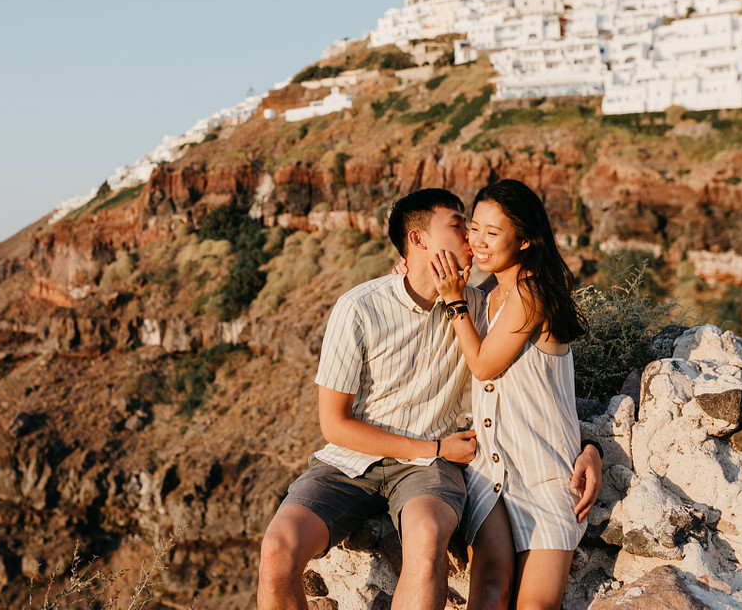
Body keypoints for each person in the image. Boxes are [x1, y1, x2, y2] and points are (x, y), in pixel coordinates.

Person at [257, 187, 601, 610]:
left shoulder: (476, 306)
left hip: (443, 470)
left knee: (430, 543)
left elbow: (532, 384)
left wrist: (590, 445)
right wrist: (432, 447)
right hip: (356, 461)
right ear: (418, 241)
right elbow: (334, 425)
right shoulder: (361, 307)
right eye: (463, 227)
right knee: (275, 550)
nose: (473, 240)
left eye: (481, 230)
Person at [430, 179, 590, 610]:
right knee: (488, 593)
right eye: (473, 228)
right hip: (490, 468)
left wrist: (455, 303)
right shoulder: (487, 296)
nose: (478, 242)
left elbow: (482, 364)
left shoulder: (530, 292)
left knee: (535, 605)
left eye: (492, 232)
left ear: (524, 240)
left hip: (544, 472)